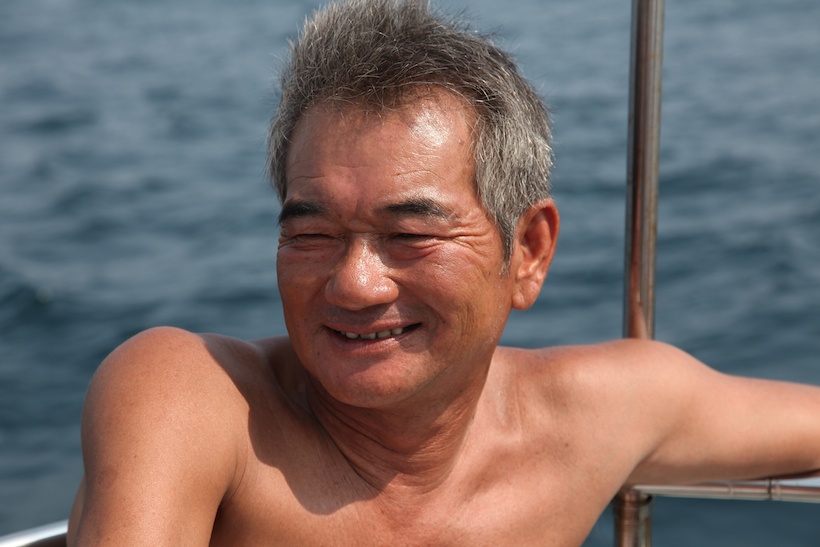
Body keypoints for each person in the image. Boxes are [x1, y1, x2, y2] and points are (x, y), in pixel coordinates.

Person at [67, 0, 820, 545]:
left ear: (529, 252)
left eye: (410, 235)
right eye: (312, 234)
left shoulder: (595, 417)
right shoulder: (190, 400)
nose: (355, 283)